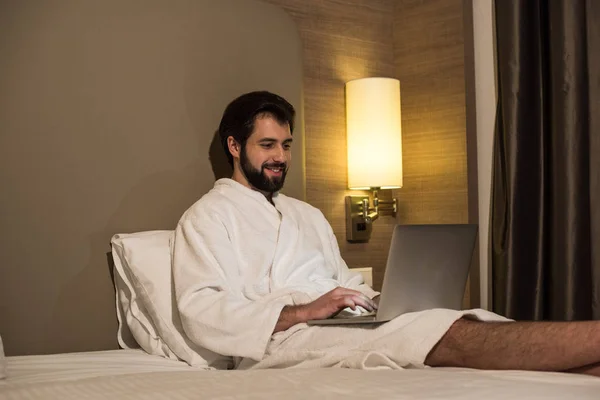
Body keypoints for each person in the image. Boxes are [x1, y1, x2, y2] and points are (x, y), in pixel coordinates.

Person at [172, 91, 600, 376]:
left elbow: (341, 283)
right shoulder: (207, 217)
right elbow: (202, 312)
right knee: (451, 334)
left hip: (340, 325)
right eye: (268, 145)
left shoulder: (306, 215)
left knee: (464, 321)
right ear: (234, 146)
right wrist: (303, 312)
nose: (280, 157)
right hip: (283, 343)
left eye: (286, 145)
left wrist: (376, 300)